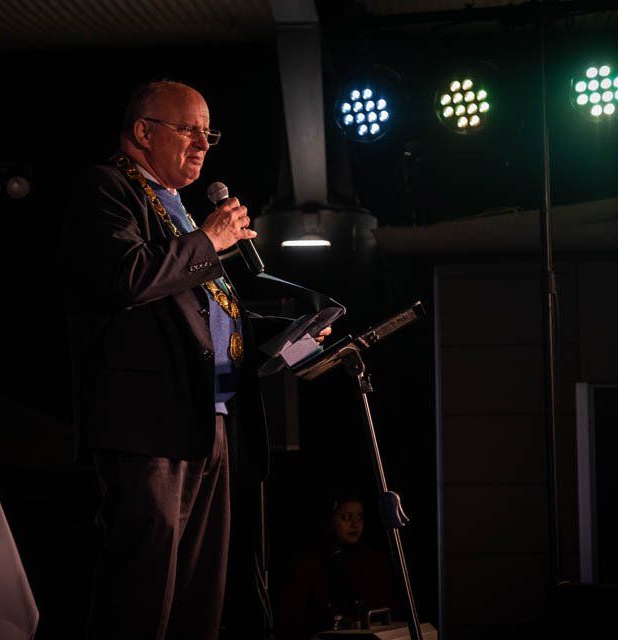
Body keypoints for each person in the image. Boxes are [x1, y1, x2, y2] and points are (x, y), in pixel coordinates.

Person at [60, 80, 328, 640]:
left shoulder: (177, 208)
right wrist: (209, 240)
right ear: (143, 132)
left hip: (214, 416)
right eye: (189, 130)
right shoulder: (108, 188)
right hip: (150, 422)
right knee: (143, 582)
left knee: (202, 587)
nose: (203, 144)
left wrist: (292, 334)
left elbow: (206, 316)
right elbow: (128, 279)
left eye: (209, 133)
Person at [275, 493, 399, 640]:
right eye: (346, 517)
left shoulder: (373, 558)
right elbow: (292, 620)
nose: (355, 524)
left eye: (360, 517)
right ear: (329, 519)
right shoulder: (308, 561)